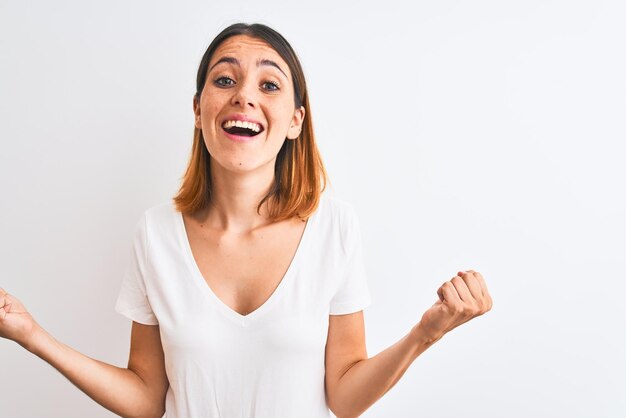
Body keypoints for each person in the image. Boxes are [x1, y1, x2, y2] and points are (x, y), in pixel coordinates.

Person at [0, 22, 493, 418]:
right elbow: (148, 399)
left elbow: (343, 398)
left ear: (296, 120)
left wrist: (425, 334)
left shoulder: (334, 228)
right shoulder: (155, 234)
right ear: (199, 110)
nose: (244, 96)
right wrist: (34, 337)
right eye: (225, 79)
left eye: (269, 84)